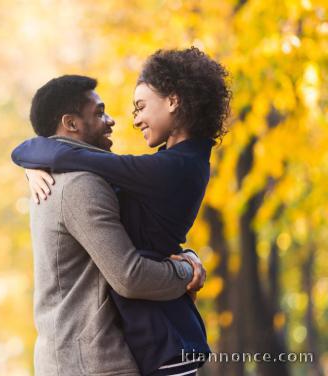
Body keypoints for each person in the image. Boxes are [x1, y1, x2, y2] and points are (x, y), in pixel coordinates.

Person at [12, 48, 231, 375]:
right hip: (101, 355)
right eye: (101, 113)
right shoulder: (80, 186)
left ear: (173, 102)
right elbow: (131, 271)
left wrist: (27, 157)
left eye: (141, 107)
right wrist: (187, 268)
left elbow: (69, 156)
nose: (123, 119)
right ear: (70, 123)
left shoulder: (172, 168)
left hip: (155, 335)